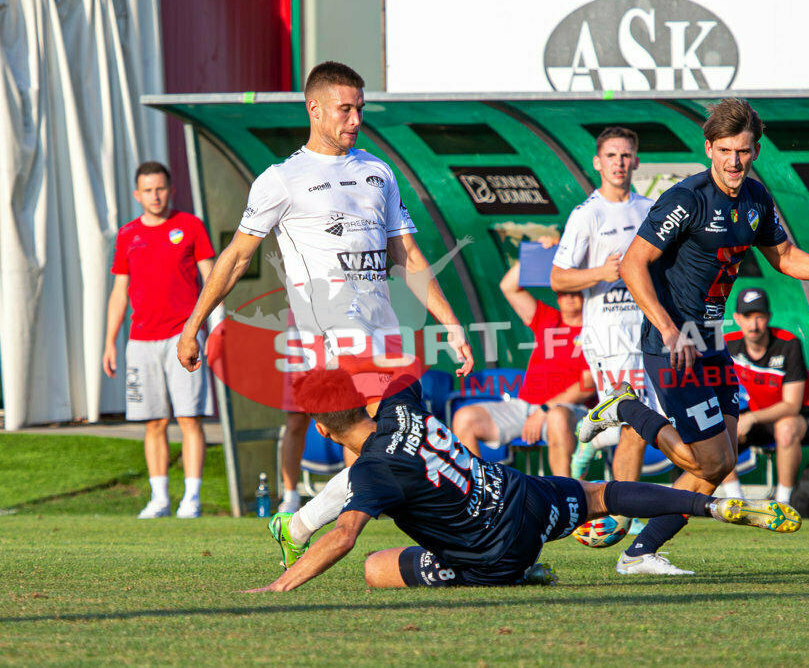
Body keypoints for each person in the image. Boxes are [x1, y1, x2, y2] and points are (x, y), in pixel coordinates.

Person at [582, 98, 809, 575]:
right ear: (709, 149)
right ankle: (625, 409)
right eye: (724, 151)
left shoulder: (757, 198)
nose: (734, 161)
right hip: (674, 343)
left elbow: (786, 257)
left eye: (742, 151)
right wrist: (669, 328)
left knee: (721, 463)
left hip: (714, 341)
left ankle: (640, 552)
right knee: (709, 459)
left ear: (755, 149)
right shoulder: (687, 198)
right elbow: (634, 264)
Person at [175, 61, 473, 513]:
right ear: (314, 109)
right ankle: (400, 526)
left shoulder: (379, 171)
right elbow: (236, 257)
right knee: (386, 437)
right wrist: (193, 324)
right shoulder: (282, 179)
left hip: (384, 330)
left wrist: (451, 322)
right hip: (331, 335)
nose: (356, 120)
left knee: (380, 446)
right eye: (345, 109)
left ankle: (306, 527)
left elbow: (407, 255)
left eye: (360, 109)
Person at [243, 368, 801, 592]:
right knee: (600, 495)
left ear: (321, 428)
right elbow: (400, 374)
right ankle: (709, 507)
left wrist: (278, 586)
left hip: (496, 554)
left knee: (374, 568)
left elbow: (343, 538)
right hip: (521, 494)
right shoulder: (398, 408)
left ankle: (522, 573)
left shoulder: (370, 471)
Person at [103, 161, 215, 519]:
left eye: (160, 188)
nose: (155, 195)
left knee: (189, 418)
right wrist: (109, 342)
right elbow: (120, 291)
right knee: (152, 422)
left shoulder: (190, 226)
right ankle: (160, 498)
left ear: (170, 189)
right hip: (140, 340)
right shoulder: (127, 235)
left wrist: (213, 331)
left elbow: (212, 281)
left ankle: (192, 499)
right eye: (148, 190)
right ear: (137, 195)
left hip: (183, 339)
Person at [550, 126, 655, 482]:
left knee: (643, 422)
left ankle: (591, 442)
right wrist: (600, 272)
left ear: (636, 161)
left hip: (647, 330)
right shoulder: (587, 214)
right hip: (608, 335)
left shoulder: (651, 210)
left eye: (625, 155)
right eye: (611, 155)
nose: (619, 163)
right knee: (635, 421)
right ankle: (631, 514)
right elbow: (557, 278)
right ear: (597, 162)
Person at [451, 237, 592, 476]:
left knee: (557, 417)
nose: (568, 297)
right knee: (465, 417)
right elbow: (509, 287)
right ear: (556, 293)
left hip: (568, 411)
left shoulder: (595, 328)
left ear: (585, 292)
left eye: (575, 291)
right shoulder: (548, 318)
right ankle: (480, 494)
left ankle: (568, 497)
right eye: (563, 291)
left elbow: (587, 387)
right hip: (524, 406)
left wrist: (545, 410)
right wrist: (537, 252)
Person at [721, 287, 809, 504]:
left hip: (804, 418)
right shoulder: (728, 344)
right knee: (719, 431)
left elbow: (791, 406)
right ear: (737, 318)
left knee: (785, 427)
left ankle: (782, 503)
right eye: (748, 317)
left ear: (768, 317)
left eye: (759, 317)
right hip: (760, 417)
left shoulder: (788, 344)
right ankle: (735, 502)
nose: (754, 325)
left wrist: (751, 418)